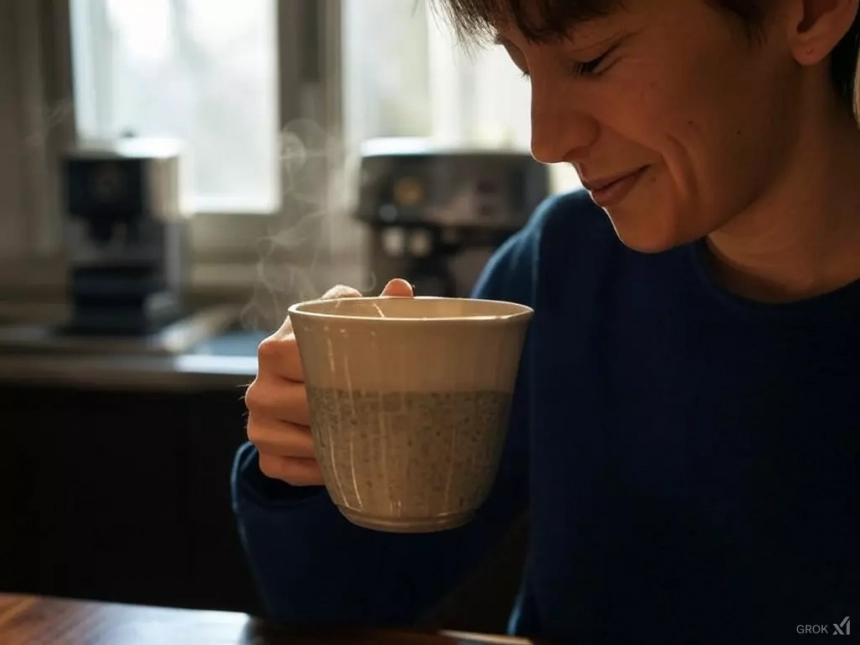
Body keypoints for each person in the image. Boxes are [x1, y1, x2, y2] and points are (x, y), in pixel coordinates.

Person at [232, 0, 860, 642]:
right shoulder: (564, 266)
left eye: (591, 60)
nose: (547, 141)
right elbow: (347, 604)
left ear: (811, 12)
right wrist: (306, 459)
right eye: (525, 69)